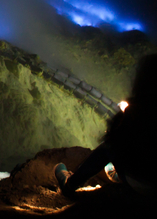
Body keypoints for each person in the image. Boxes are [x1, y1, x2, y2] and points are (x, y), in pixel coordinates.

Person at [54, 54, 157, 197]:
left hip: (143, 183)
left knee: (110, 146)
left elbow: (115, 140)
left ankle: (71, 183)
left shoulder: (137, 111)